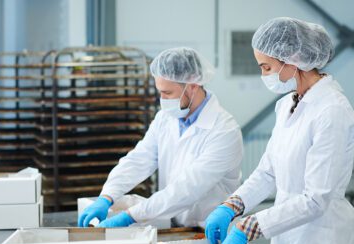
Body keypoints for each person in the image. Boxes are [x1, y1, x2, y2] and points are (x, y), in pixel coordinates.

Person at [205, 17, 354, 244]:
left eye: (266, 67)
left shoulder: (332, 111)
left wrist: (248, 227)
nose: (264, 75)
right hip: (285, 241)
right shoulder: (287, 104)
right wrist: (231, 206)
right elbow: (268, 172)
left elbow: (316, 199)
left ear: (293, 60)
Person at [78, 47, 243, 229]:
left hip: (211, 229)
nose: (162, 99)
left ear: (192, 86)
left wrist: (131, 216)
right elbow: (140, 159)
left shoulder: (224, 131)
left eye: (167, 93)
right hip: (175, 224)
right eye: (160, 92)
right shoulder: (165, 118)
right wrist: (107, 196)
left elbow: (187, 188)